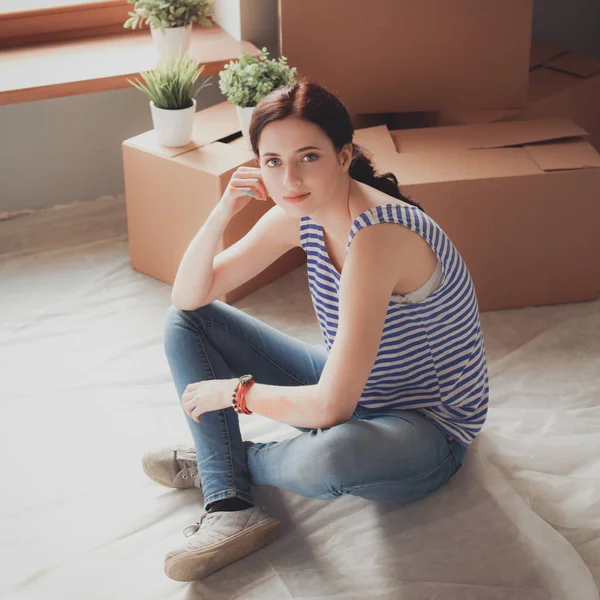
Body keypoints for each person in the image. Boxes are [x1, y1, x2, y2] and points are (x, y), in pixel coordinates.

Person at [142, 78, 489, 582]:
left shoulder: (379, 236)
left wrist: (237, 395)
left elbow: (331, 409)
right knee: (187, 322)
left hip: (426, 428)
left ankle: (226, 468)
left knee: (332, 457)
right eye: (272, 161)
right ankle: (231, 504)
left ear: (344, 155)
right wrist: (222, 213)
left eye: (308, 157)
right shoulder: (298, 215)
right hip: (354, 383)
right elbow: (188, 297)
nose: (289, 180)